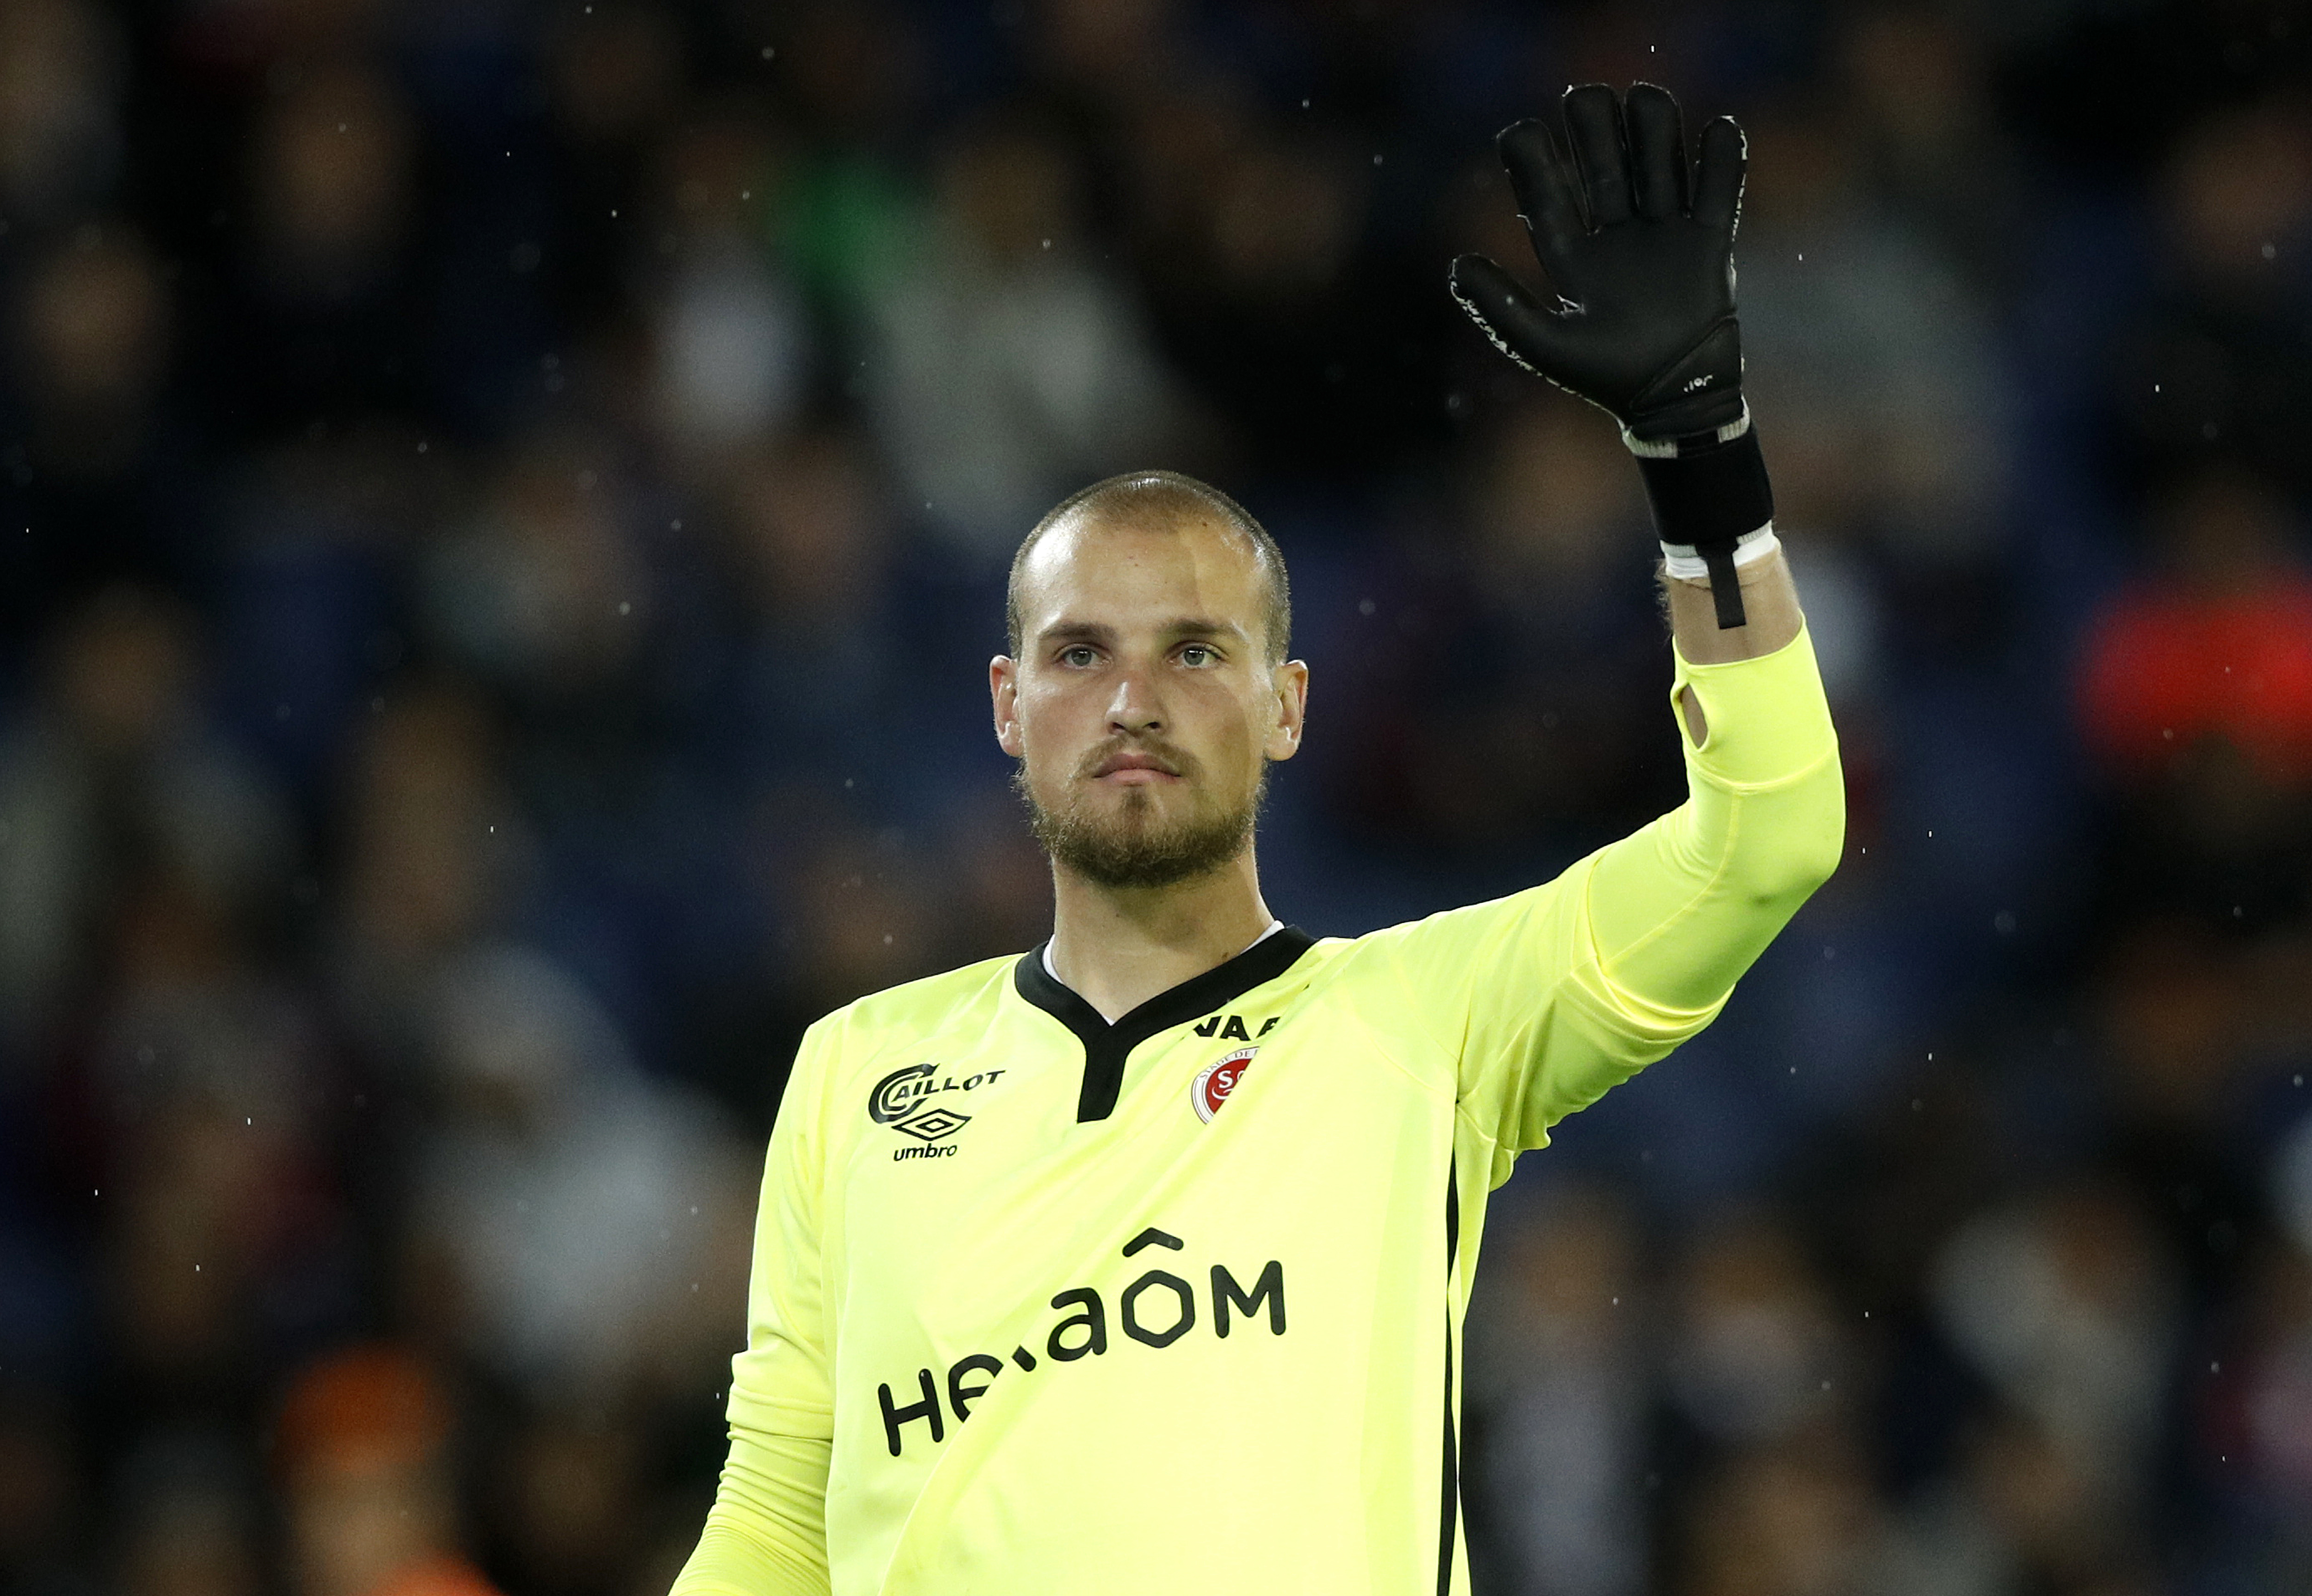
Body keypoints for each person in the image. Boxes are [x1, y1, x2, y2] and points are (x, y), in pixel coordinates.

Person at [670, 82, 1844, 1595]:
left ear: (1289, 706)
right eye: (1080, 653)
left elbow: (1772, 835)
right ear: (1005, 707)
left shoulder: (1420, 1026)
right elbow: (776, 1518)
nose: (1136, 700)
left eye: (1199, 653)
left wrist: (1701, 460)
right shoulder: (857, 1075)